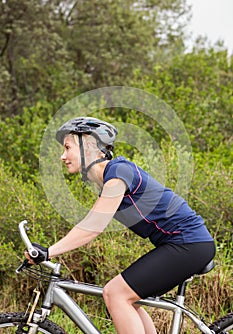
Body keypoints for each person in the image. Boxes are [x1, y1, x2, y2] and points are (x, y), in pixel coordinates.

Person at [26, 117, 215, 334]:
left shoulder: (118, 173)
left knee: (115, 294)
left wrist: (49, 252)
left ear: (87, 146)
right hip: (181, 243)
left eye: (67, 148)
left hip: (189, 243)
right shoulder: (109, 179)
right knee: (129, 299)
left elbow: (93, 226)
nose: (62, 156)